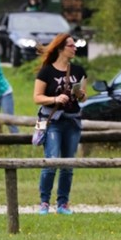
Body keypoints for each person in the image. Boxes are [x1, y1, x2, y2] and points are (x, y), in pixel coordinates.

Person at [33, 33, 87, 215]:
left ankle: (63, 203)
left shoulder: (79, 70)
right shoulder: (47, 71)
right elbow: (37, 97)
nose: (75, 48)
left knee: (68, 164)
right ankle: (44, 202)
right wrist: (55, 98)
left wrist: (79, 94)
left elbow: (83, 95)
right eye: (71, 45)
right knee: (51, 161)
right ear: (61, 49)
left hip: (72, 120)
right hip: (53, 121)